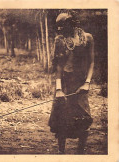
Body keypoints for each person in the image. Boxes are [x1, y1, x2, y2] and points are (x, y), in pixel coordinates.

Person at [48, 12, 95, 154]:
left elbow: (92, 62)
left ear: (72, 22)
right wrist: (58, 89)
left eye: (63, 25)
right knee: (62, 117)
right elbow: (58, 66)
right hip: (65, 83)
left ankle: (80, 152)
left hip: (80, 82)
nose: (61, 29)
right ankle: (61, 152)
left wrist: (87, 83)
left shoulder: (87, 38)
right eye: (59, 27)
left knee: (83, 117)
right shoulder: (60, 40)